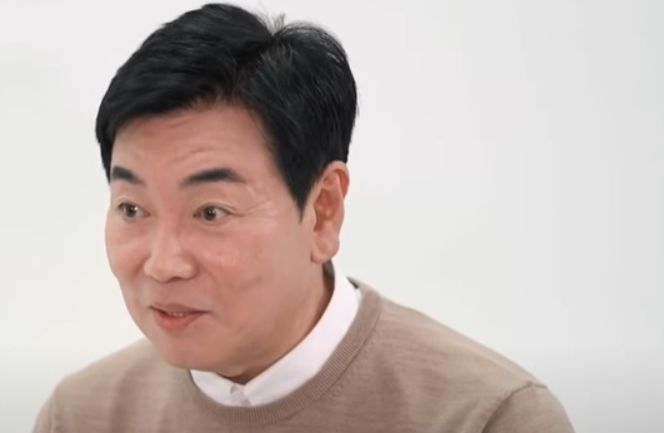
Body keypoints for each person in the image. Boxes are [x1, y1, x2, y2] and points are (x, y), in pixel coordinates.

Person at [32, 3, 575, 432]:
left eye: (211, 212)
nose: (163, 263)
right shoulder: (82, 417)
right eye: (132, 209)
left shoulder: (488, 418)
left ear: (322, 211)